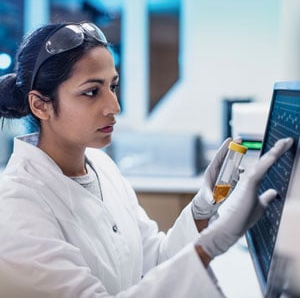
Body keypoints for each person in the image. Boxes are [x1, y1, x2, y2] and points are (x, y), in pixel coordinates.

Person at [0, 21, 293, 298]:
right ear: (40, 105)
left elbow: (154, 261)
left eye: (112, 86)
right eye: (92, 92)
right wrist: (211, 246)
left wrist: (203, 208)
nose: (113, 105)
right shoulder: (16, 206)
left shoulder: (101, 167)